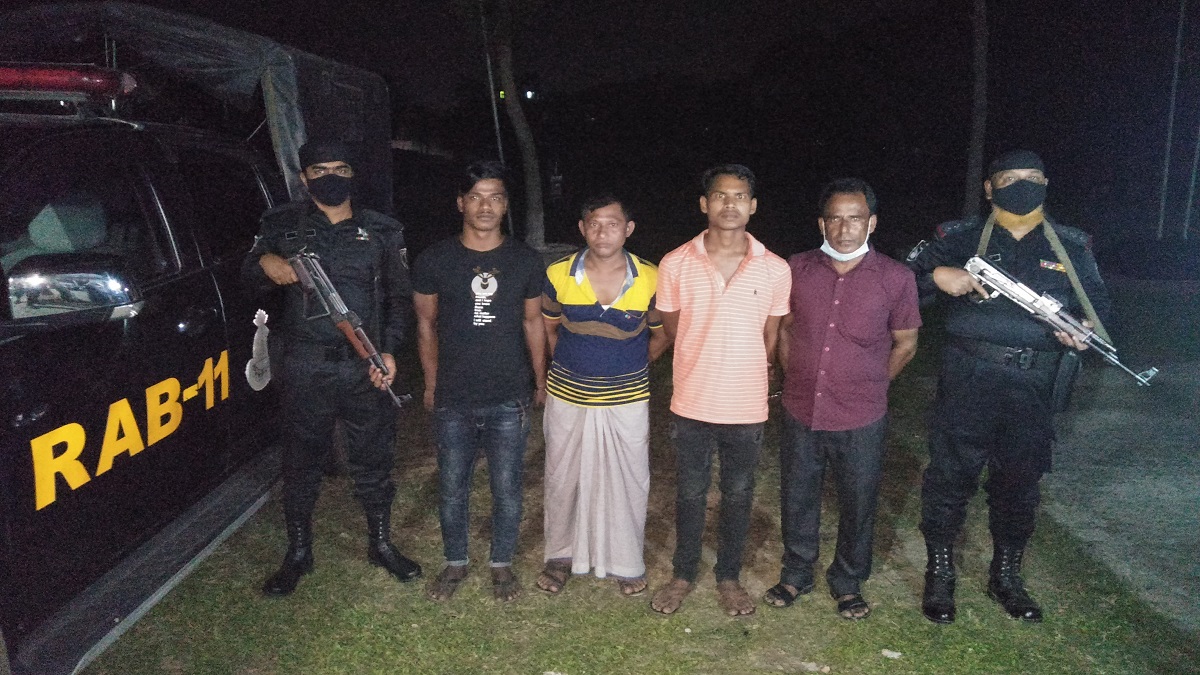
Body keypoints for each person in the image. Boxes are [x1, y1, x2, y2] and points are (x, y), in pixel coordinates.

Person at [906, 150, 1111, 624]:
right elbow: (898, 282)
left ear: (1047, 183)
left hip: (1034, 382)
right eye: (1010, 178)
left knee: (1019, 485)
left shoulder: (1071, 245)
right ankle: (940, 575)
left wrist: (1083, 332)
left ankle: (1006, 577)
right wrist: (936, 275)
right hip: (969, 377)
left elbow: (1099, 308)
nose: (1023, 185)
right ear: (989, 188)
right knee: (949, 479)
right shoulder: (959, 237)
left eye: (1033, 177)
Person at [244, 139, 421, 597]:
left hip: (364, 366)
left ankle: (380, 544)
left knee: (373, 460)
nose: (331, 177)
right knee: (300, 464)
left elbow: (399, 298)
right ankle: (298, 552)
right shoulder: (281, 225)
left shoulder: (382, 230)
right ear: (304, 177)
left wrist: (390, 351)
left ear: (353, 174)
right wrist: (265, 262)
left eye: (341, 168)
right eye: (320, 170)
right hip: (305, 366)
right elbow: (246, 278)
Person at [764, 178, 921, 620]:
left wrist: (873, 384)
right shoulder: (796, 268)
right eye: (835, 218)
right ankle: (796, 572)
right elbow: (786, 329)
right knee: (798, 495)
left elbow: (906, 343)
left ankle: (848, 581)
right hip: (801, 407)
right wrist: (795, 376)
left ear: (872, 222)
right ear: (822, 223)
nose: (844, 228)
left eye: (855, 218)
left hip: (861, 414)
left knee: (858, 501)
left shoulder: (896, 278)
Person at [650, 164, 792, 617]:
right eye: (720, 195)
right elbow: (675, 330)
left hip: (746, 405)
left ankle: (728, 577)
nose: (730, 204)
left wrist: (750, 373)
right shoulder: (675, 262)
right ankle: (682, 574)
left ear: (753, 206)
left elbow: (770, 336)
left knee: (739, 494)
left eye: (739, 196)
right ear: (704, 204)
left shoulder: (775, 268)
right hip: (692, 399)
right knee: (690, 493)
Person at [412, 161, 547, 603]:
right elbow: (426, 325)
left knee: (507, 487)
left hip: (509, 394)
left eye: (495, 197)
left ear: (506, 205)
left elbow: (533, 321)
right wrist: (431, 384)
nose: (485, 206)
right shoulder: (435, 259)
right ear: (461, 203)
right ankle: (455, 561)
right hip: (454, 395)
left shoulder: (524, 260)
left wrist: (540, 380)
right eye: (476, 197)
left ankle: (501, 564)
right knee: (453, 486)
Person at [537, 196, 669, 598]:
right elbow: (549, 329)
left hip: (627, 396)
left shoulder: (651, 277)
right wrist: (572, 367)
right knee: (562, 477)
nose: (603, 232)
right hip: (568, 394)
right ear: (582, 228)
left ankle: (626, 560)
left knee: (629, 478)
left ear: (628, 229)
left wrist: (627, 366)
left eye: (612, 224)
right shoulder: (558, 273)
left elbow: (662, 335)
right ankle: (560, 556)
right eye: (594, 224)